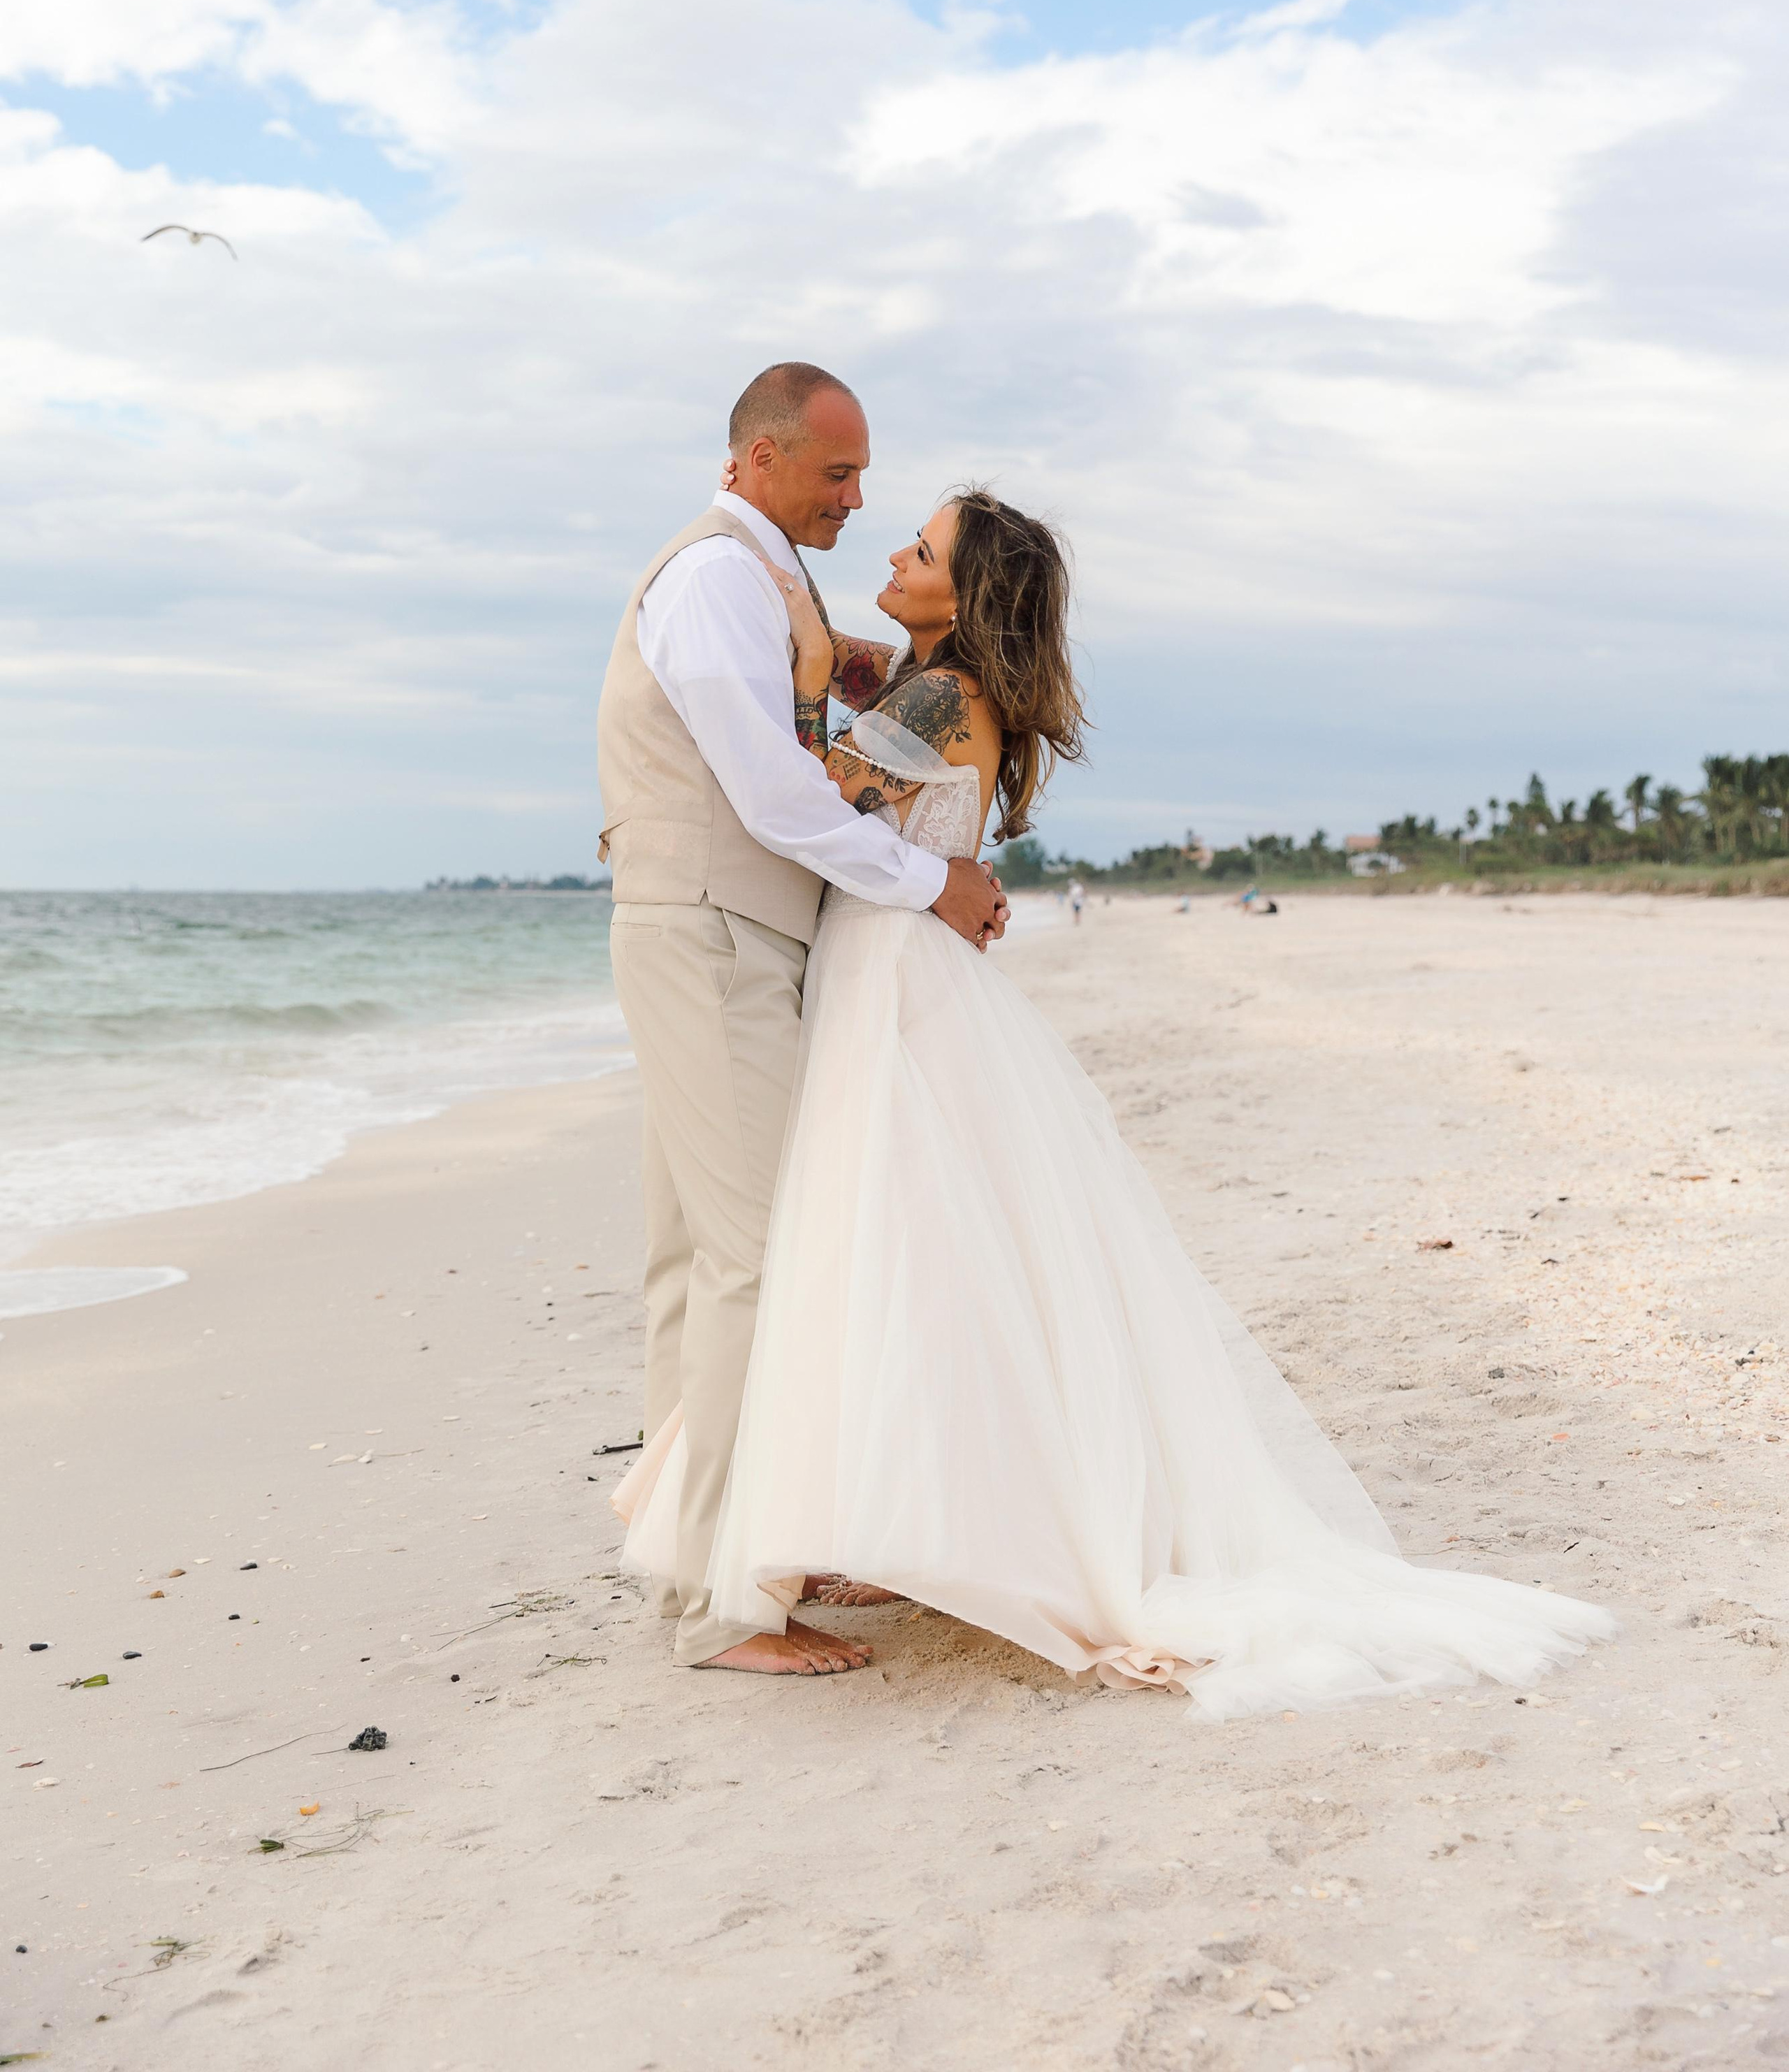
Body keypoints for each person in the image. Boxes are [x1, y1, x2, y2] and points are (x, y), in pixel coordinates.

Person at [621, 486, 1616, 1716]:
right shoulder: (942, 693)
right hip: (909, 973)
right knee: (926, 1257)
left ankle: (908, 1520)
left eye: (920, 549)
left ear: (965, 594)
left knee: (894, 1253)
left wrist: (813, 680)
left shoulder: (937, 696)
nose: (894, 549)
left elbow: (812, 797)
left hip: (890, 981)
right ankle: (891, 1519)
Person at [597, 363, 1006, 1679]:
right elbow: (774, 798)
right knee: (755, 1260)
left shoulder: (768, 585)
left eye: (865, 475)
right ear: (756, 459)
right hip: (716, 928)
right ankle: (728, 1602)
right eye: (836, 474)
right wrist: (930, 881)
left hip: (726, 928)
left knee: (697, 1258)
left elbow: (786, 752)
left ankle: (700, 1553)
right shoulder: (719, 575)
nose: (856, 497)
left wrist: (841, 684)